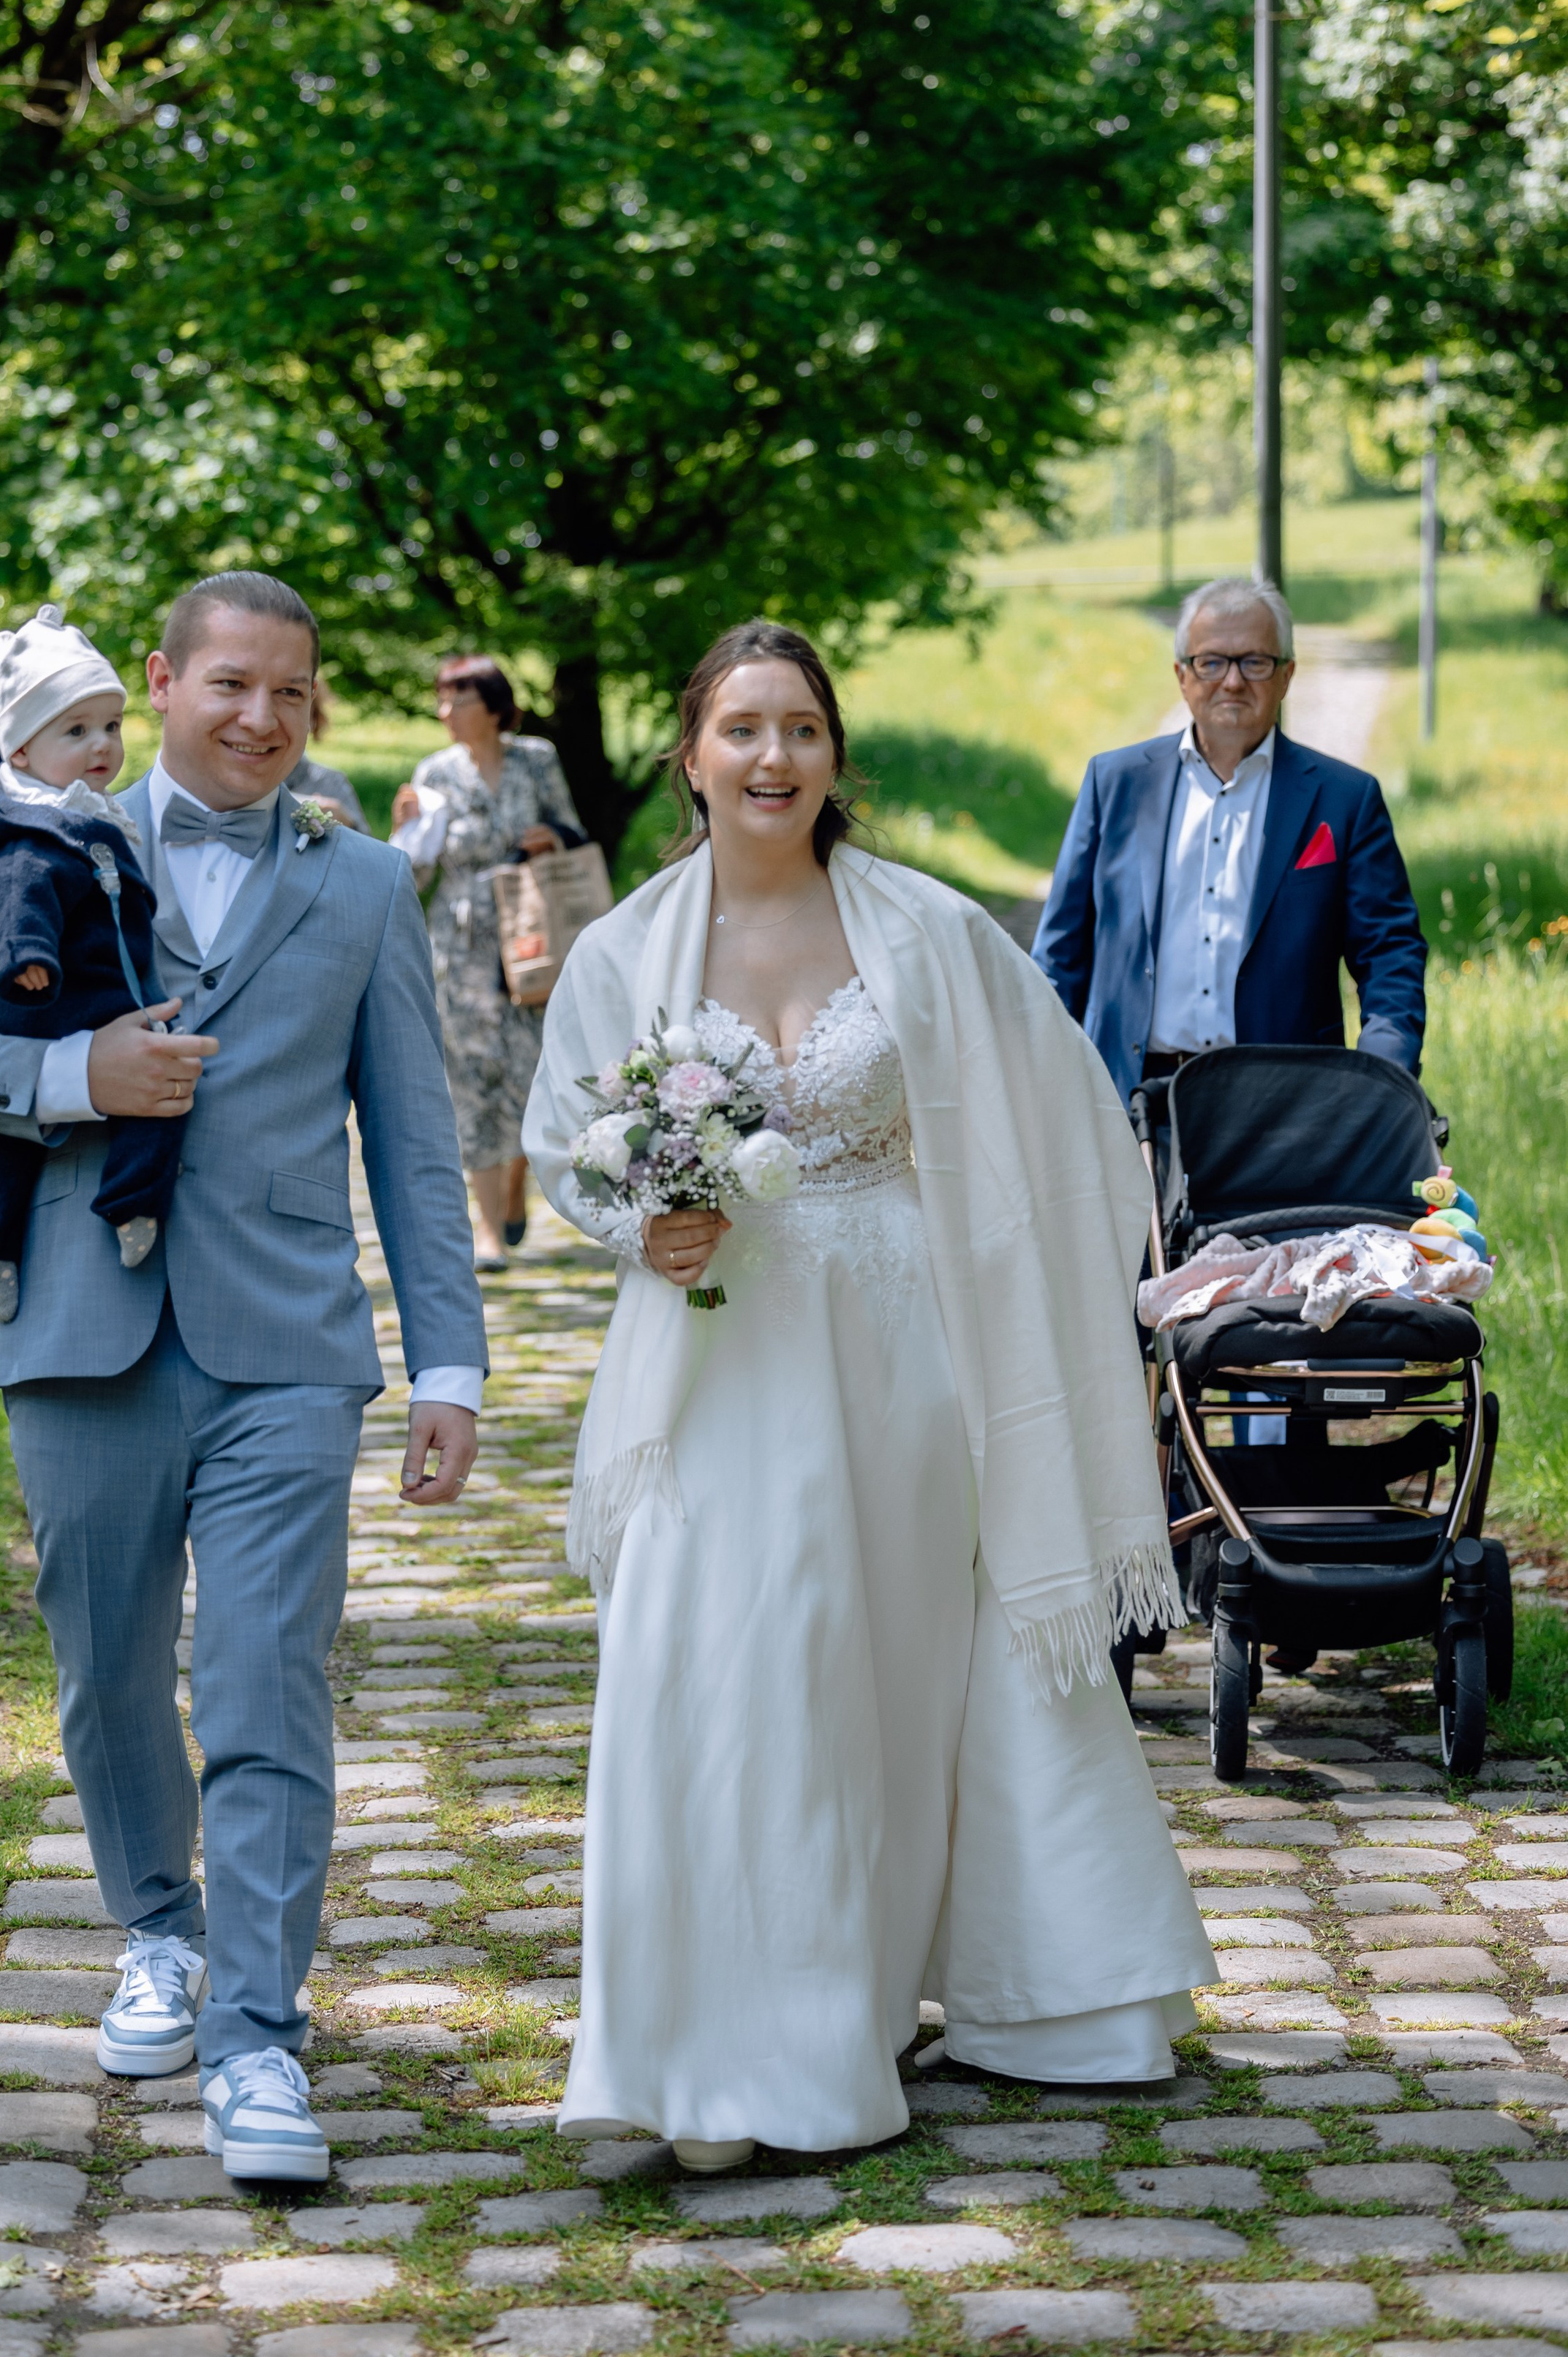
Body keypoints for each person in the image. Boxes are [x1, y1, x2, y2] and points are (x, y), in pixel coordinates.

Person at [524, 619, 1213, 2165]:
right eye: (742, 730)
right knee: (729, 1662)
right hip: (719, 1355)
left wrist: (1089, 1285)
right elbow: (571, 1133)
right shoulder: (626, 949)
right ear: (688, 756)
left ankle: (952, 1982)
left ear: (833, 758)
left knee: (890, 1673)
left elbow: (1066, 1114)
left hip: (909, 1364)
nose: (773, 758)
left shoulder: (924, 932)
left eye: (802, 731)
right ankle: (731, 2053)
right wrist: (644, 1221)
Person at [0, 570, 486, 2182]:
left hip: (284, 1341)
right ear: (158, 682)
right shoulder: (48, 828)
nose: (260, 719)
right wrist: (78, 1073)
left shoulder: (359, 890)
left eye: (290, 693)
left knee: (267, 1682)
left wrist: (451, 1367)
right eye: (229, 685)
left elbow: (417, 1152)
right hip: (80, 1326)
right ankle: (160, 1928)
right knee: (105, 1673)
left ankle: (259, 2042)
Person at [1033, 574, 1426, 1105]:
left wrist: (1381, 1080)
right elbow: (1059, 960)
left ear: (1286, 675)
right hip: (1126, 1104)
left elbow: (1389, 955)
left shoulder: (1344, 800)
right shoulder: (1116, 785)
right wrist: (1043, 1087)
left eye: (1254, 662)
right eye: (1212, 662)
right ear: (1182, 675)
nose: (1233, 682)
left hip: (1288, 1110)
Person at [0, 606, 177, 1326]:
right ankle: (115, 1208)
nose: (102, 745)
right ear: (20, 753)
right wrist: (26, 959)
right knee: (149, 1095)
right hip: (49, 994)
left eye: (111, 726)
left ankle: (2, 1238)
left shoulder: (77, 810)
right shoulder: (36, 828)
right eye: (75, 730)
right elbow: (19, 894)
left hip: (87, 990)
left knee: (26, 1136)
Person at [392, 655, 581, 1271]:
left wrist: (551, 837)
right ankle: (488, 1231)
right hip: (461, 944)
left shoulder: (537, 759)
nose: (446, 712)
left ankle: (515, 1185)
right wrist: (407, 832)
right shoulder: (434, 773)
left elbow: (572, 829)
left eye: (459, 700)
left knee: (529, 1074)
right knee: (471, 1082)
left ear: (493, 706)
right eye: (442, 701)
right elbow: (415, 875)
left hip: (531, 936)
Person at [286, 668, 370, 833]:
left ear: (314, 719)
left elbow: (371, 853)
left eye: (291, 696)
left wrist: (347, 826)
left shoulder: (329, 783)